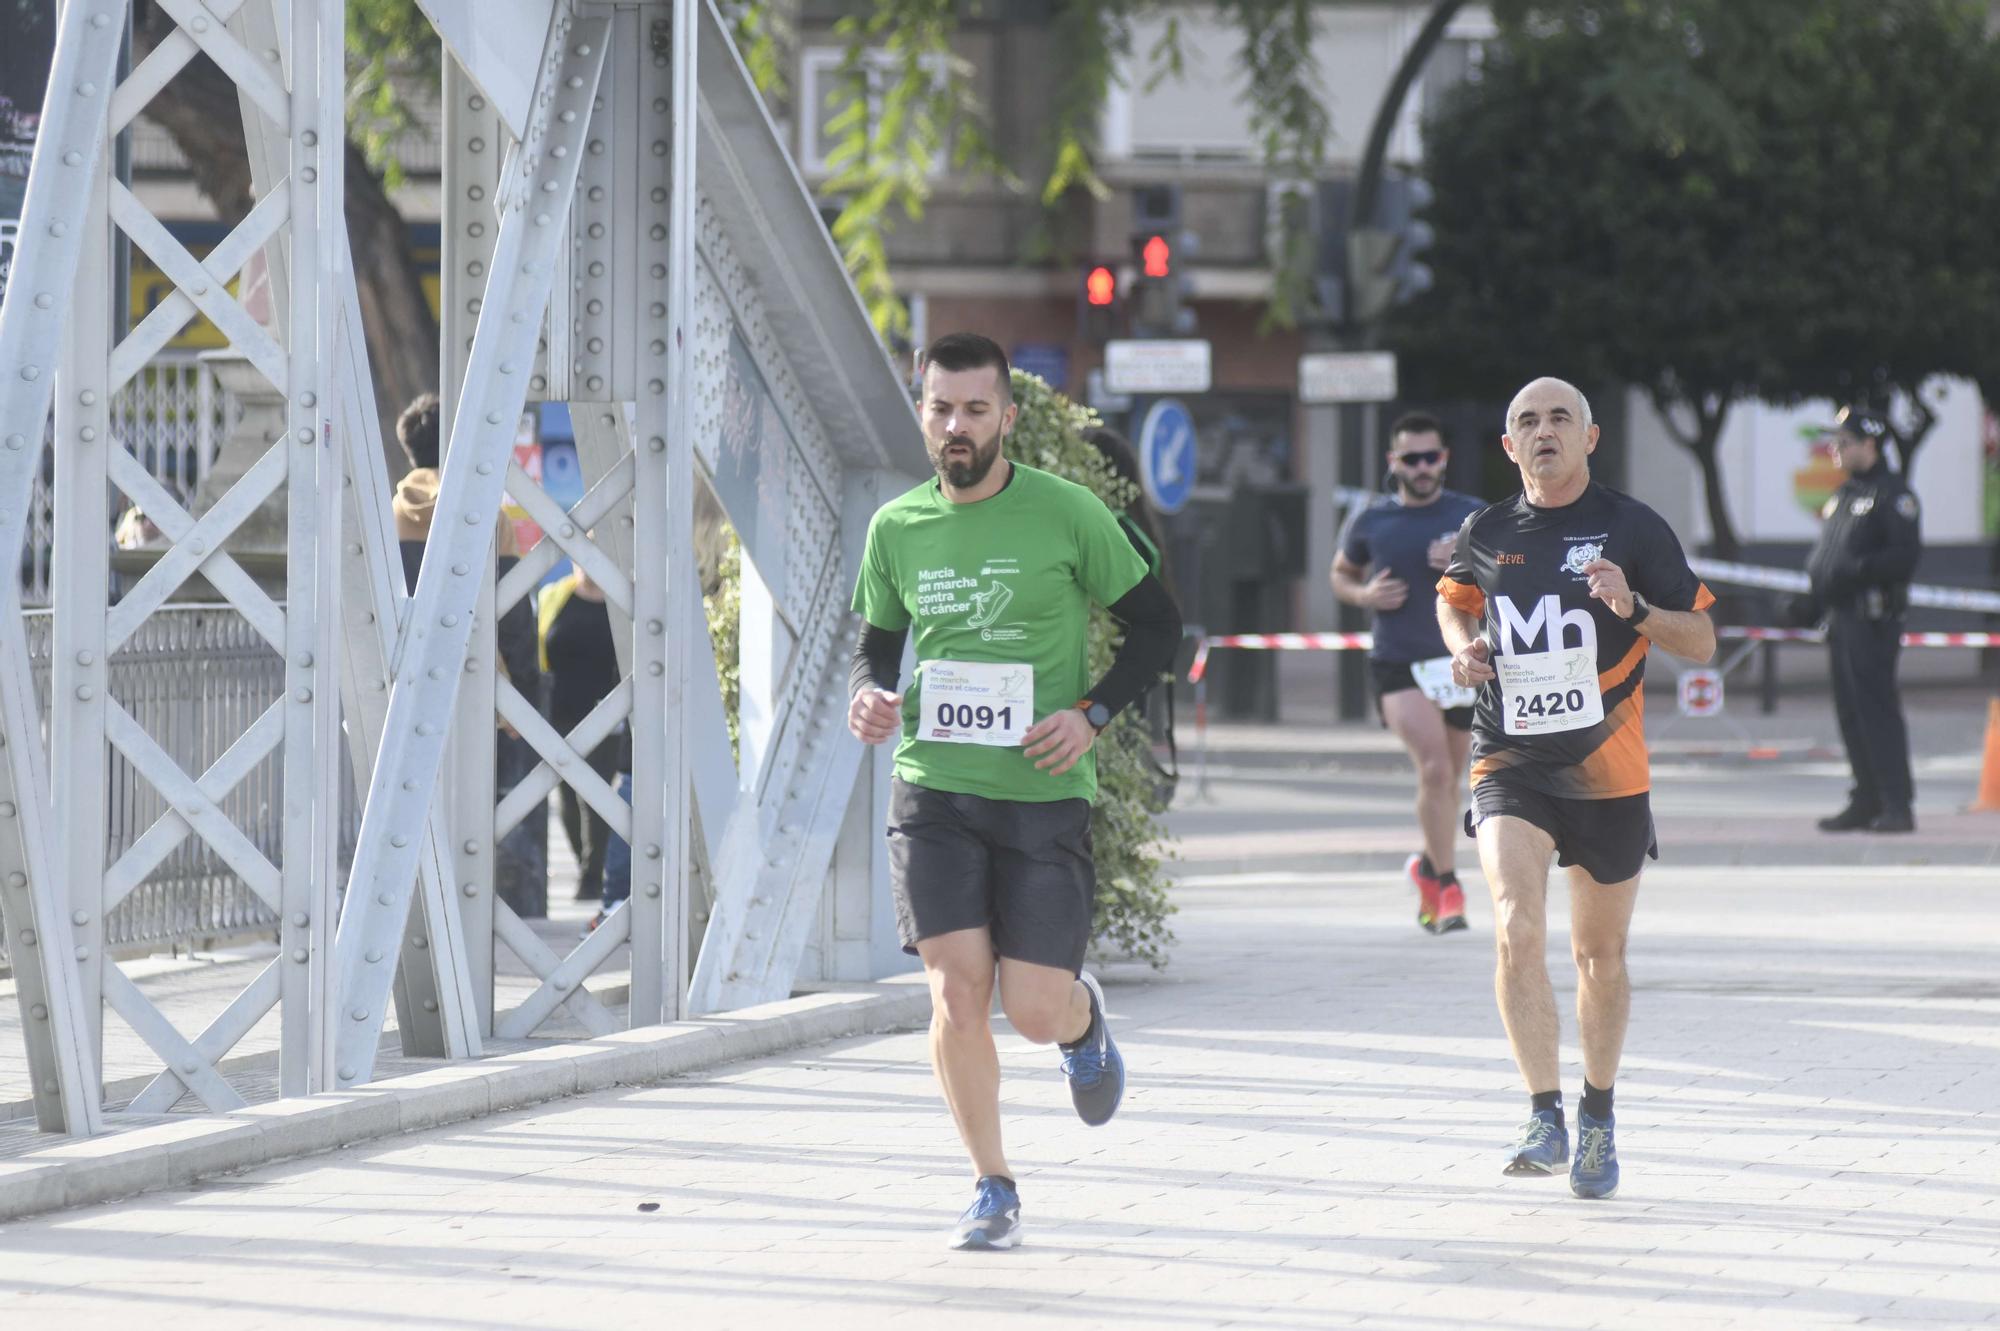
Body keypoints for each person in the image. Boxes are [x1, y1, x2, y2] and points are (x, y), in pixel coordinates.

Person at [848, 332, 1182, 1250]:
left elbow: (1160, 626)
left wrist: (1094, 714)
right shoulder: (897, 527)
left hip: (1041, 787)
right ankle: (992, 1183)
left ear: (1009, 417)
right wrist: (870, 696)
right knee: (955, 993)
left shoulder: (1068, 512)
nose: (957, 426)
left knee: (1030, 1009)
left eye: (976, 409)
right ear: (922, 413)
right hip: (934, 786)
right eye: (941, 408)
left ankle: (1081, 1020)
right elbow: (879, 644)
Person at [1435, 377, 1716, 1201]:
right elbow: (1453, 597)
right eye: (1527, 419)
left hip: (1608, 773)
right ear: (1508, 444)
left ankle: (1597, 1111)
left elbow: (1700, 639)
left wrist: (1633, 609)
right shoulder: (1486, 529)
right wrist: (1462, 646)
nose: (1544, 430)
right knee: (1516, 926)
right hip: (1508, 756)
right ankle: (1543, 1111)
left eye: (1562, 418)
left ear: (1591, 438)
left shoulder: (1632, 527)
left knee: (1600, 956)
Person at [1331, 413, 1485, 934]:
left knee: (1451, 779)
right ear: (1394, 463)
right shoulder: (1372, 520)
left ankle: (1425, 867)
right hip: (1397, 661)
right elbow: (1341, 573)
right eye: (1411, 459)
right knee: (1436, 769)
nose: (1422, 468)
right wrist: (1364, 596)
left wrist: (1467, 560)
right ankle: (1447, 887)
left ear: (1443, 459)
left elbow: (1512, 572)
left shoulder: (1471, 515)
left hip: (1458, 660)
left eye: (1431, 457)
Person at [394, 393, 547, 917]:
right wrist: (523, 691)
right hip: (479, 683)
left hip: (404, 683)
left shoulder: (386, 513)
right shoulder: (487, 517)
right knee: (486, 808)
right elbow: (514, 617)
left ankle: (416, 905)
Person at [1795, 406, 1921, 834]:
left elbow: (1903, 559)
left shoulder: (1893, 494)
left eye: (1844, 442)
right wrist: (1811, 601)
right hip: (1842, 618)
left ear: (1869, 444)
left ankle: (1896, 803)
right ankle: (1866, 798)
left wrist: (1854, 571)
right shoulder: (1845, 494)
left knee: (1876, 710)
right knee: (1850, 713)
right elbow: (1829, 557)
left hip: (1872, 619)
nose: (1835, 448)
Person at [537, 555, 629, 923]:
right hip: (558, 711)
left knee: (596, 793)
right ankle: (586, 864)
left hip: (605, 713)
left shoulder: (619, 604)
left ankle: (593, 876)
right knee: (566, 797)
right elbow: (539, 644)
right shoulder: (554, 596)